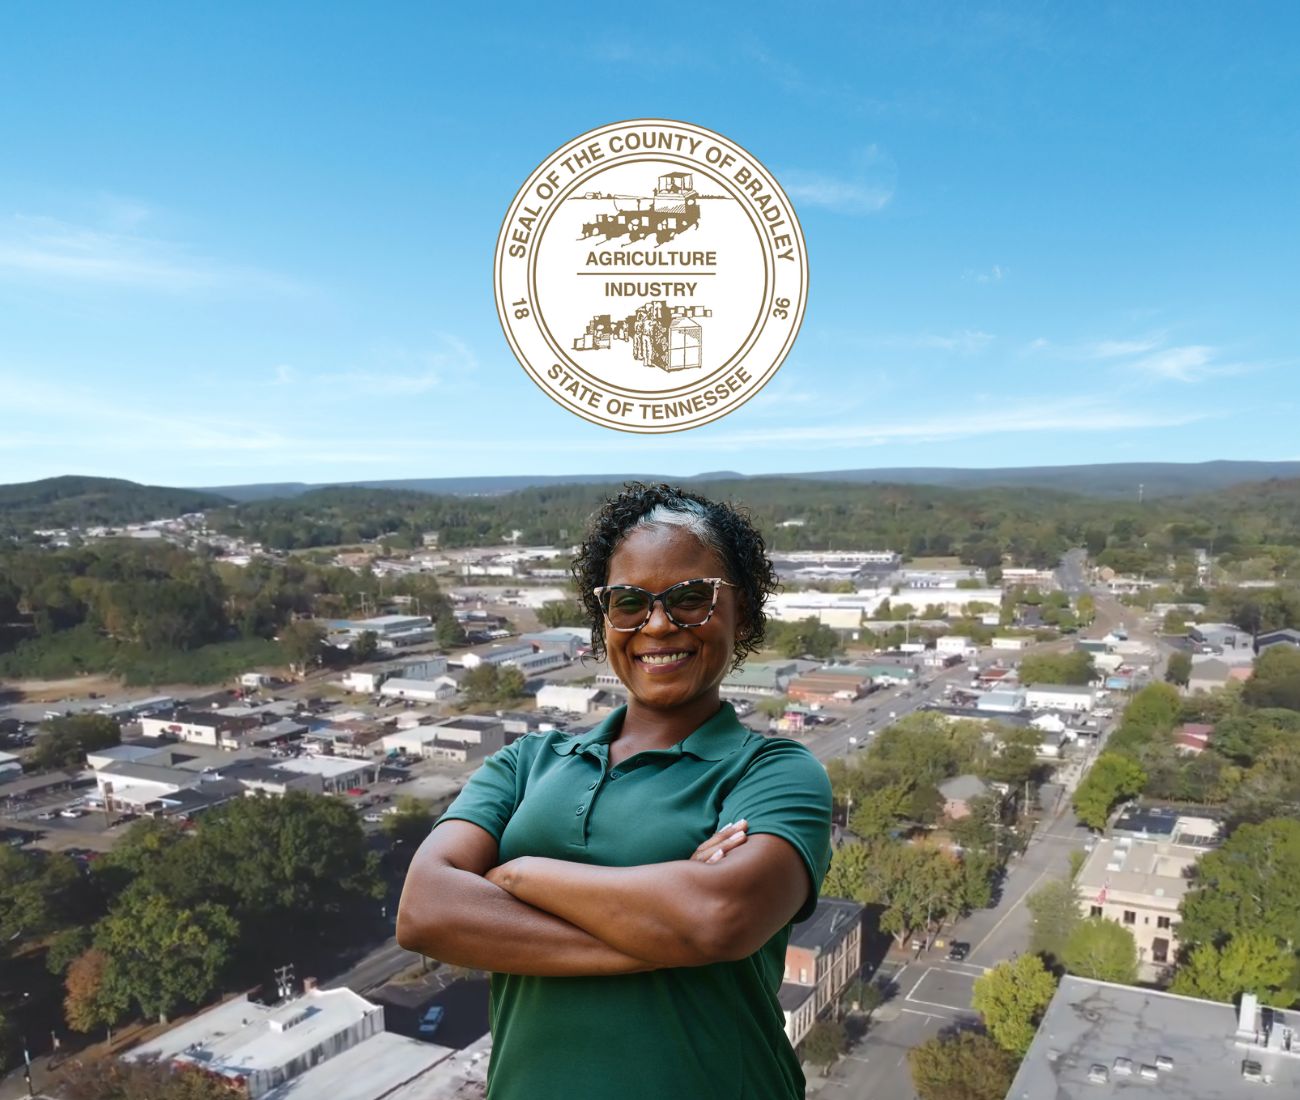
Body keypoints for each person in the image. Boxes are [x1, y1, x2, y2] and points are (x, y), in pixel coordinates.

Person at [396, 483, 834, 1099]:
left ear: (745, 612)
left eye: (690, 599)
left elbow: (717, 917)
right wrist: (663, 929)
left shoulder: (773, 773)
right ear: (606, 620)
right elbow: (425, 911)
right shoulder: (527, 762)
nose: (657, 624)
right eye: (629, 602)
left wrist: (518, 875)